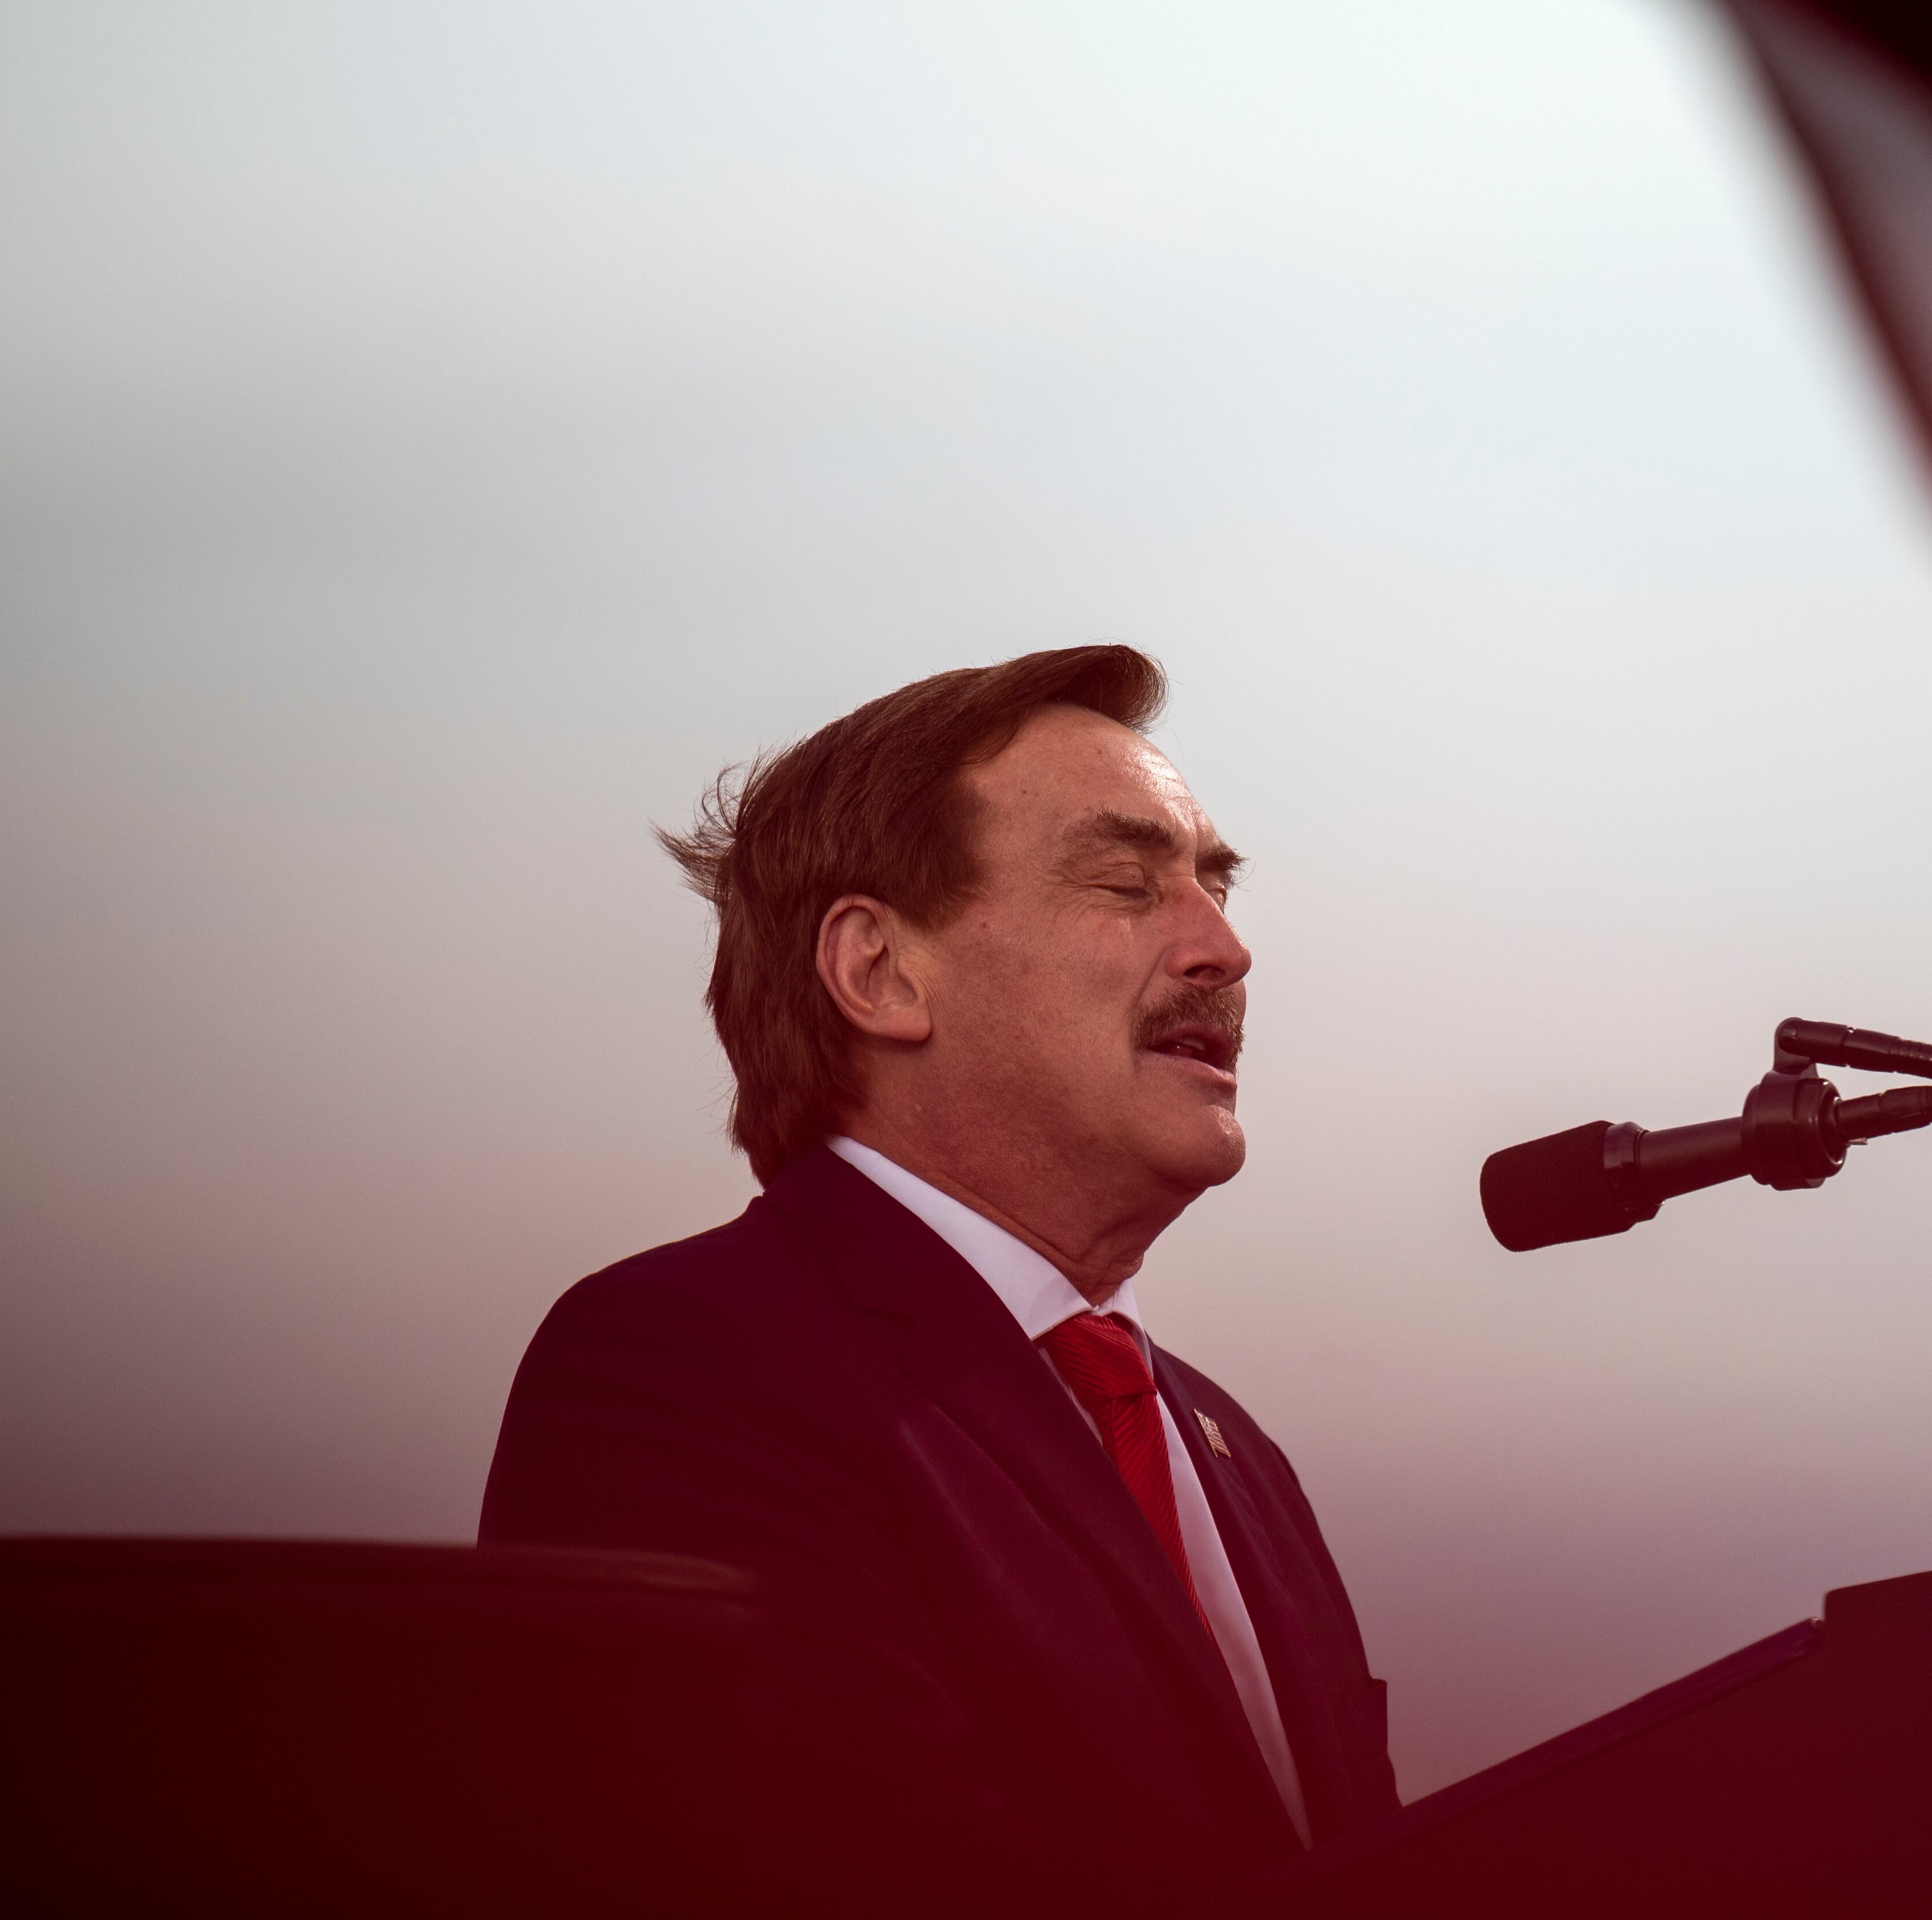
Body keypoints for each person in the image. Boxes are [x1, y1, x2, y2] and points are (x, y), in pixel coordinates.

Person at [479, 646, 1396, 1913]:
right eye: (1127, 881)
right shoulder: (680, 1363)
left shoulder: (1235, 1448)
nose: (1224, 950)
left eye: (1216, 887)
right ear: (880, 971)